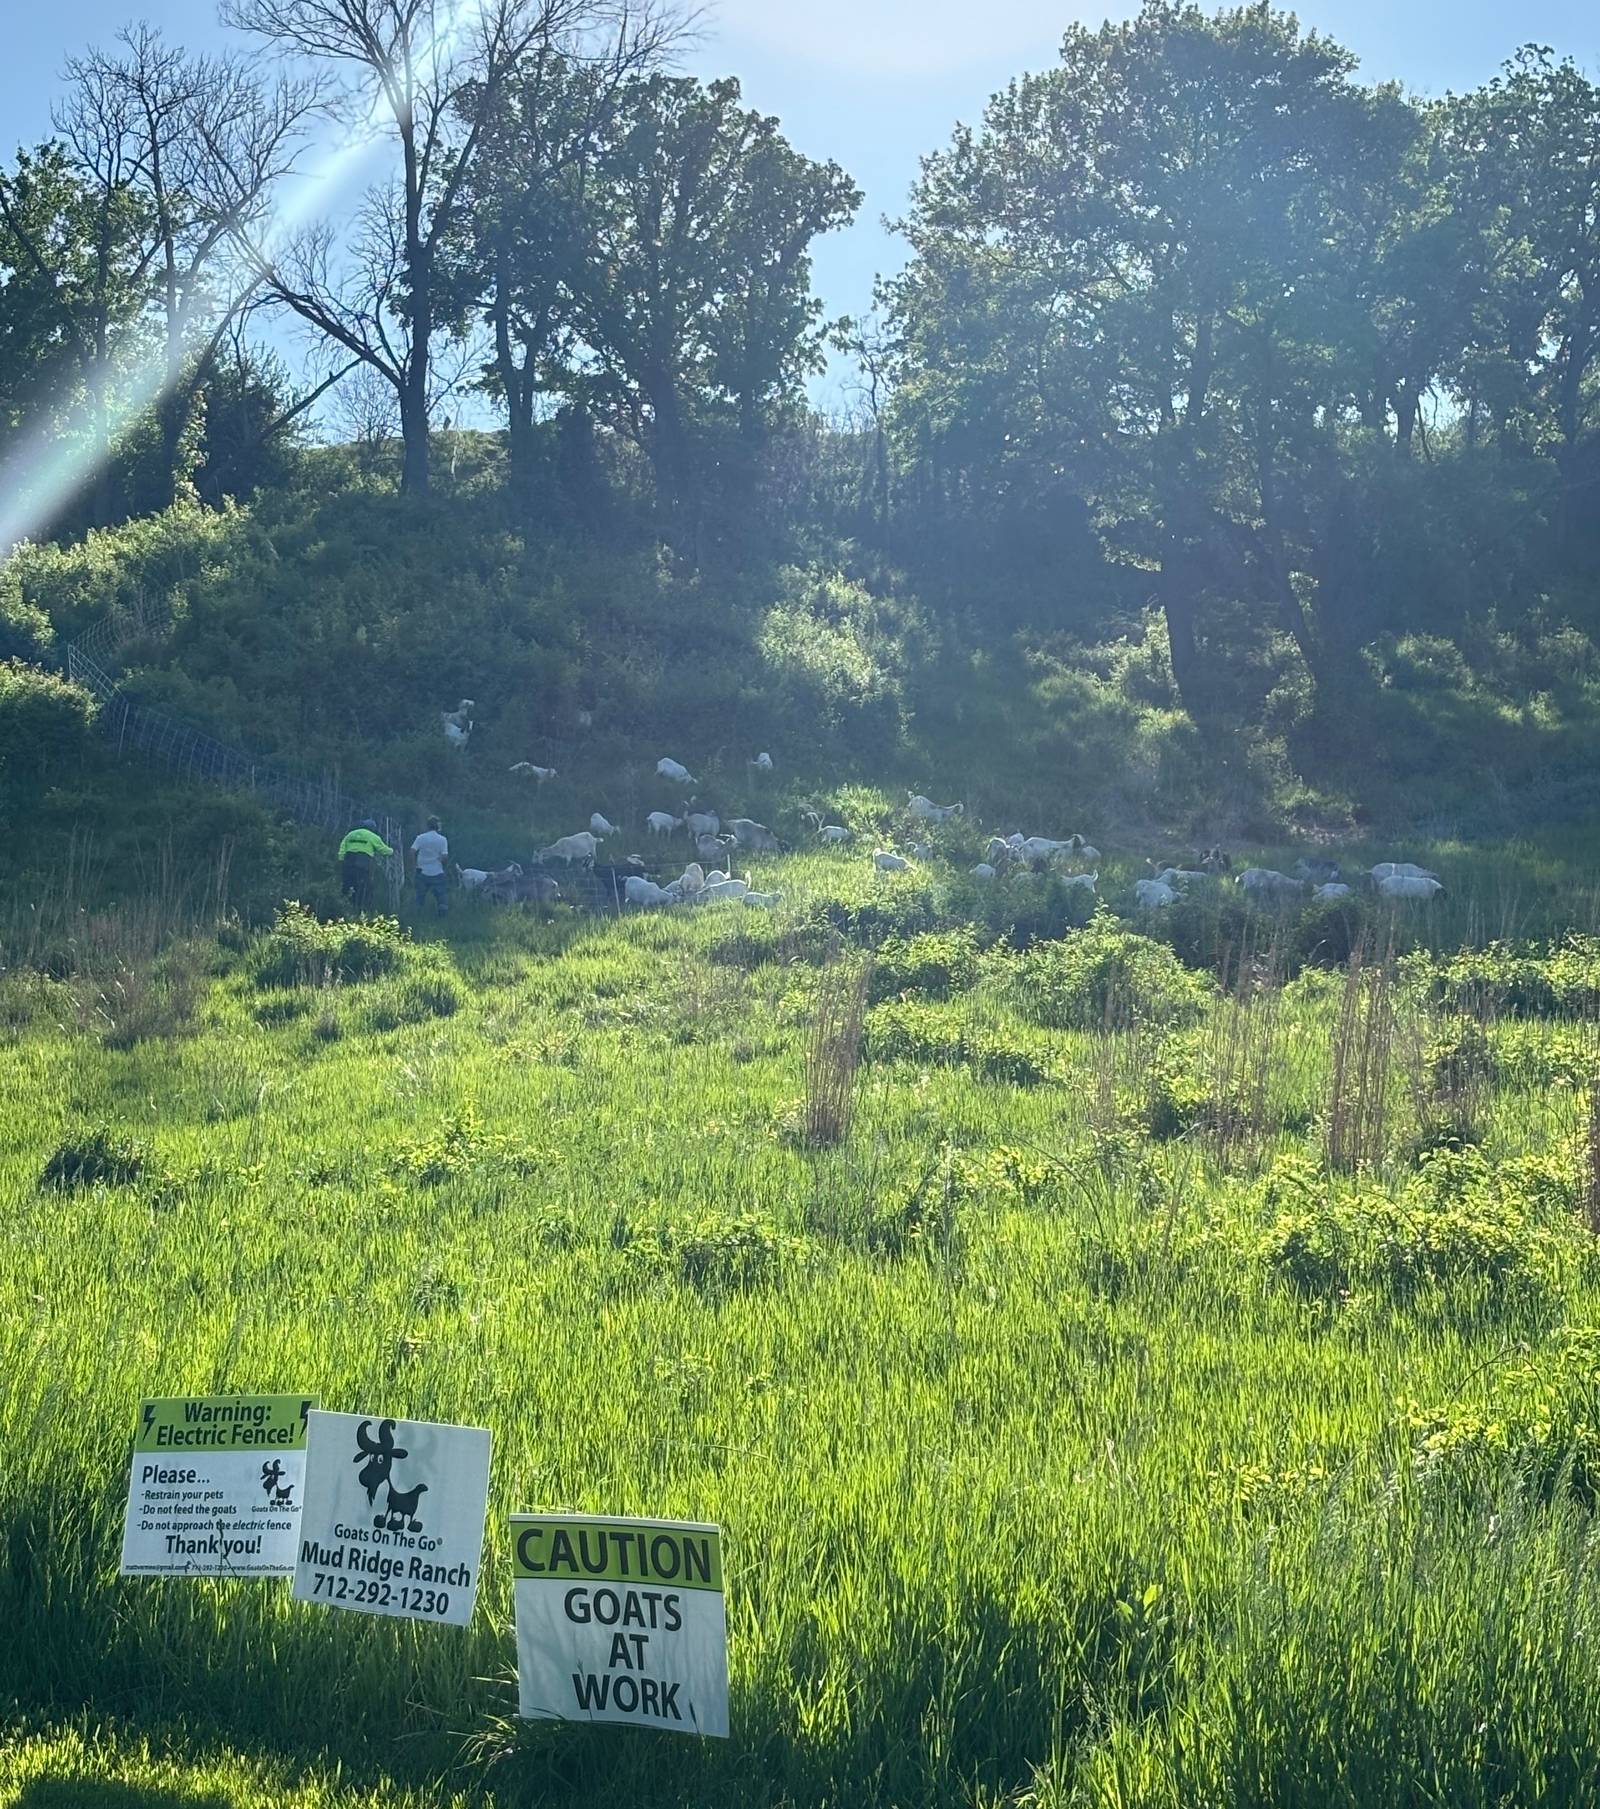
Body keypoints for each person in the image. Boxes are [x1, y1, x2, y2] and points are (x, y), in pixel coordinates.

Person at [337, 819, 394, 913]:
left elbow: (342, 848)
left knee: (347, 884)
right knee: (365, 886)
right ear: (373, 829)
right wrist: (392, 851)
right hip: (362, 862)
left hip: (348, 861)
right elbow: (383, 850)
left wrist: (341, 860)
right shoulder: (373, 836)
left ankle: (344, 907)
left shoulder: (350, 834)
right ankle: (363, 909)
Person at [411, 815, 450, 916]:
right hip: (437, 871)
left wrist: (415, 865)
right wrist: (443, 866)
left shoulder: (420, 837)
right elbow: (445, 857)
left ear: (428, 826)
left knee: (419, 897)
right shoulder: (442, 839)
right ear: (438, 826)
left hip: (421, 872)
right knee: (441, 897)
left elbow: (412, 851)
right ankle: (442, 918)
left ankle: (416, 917)